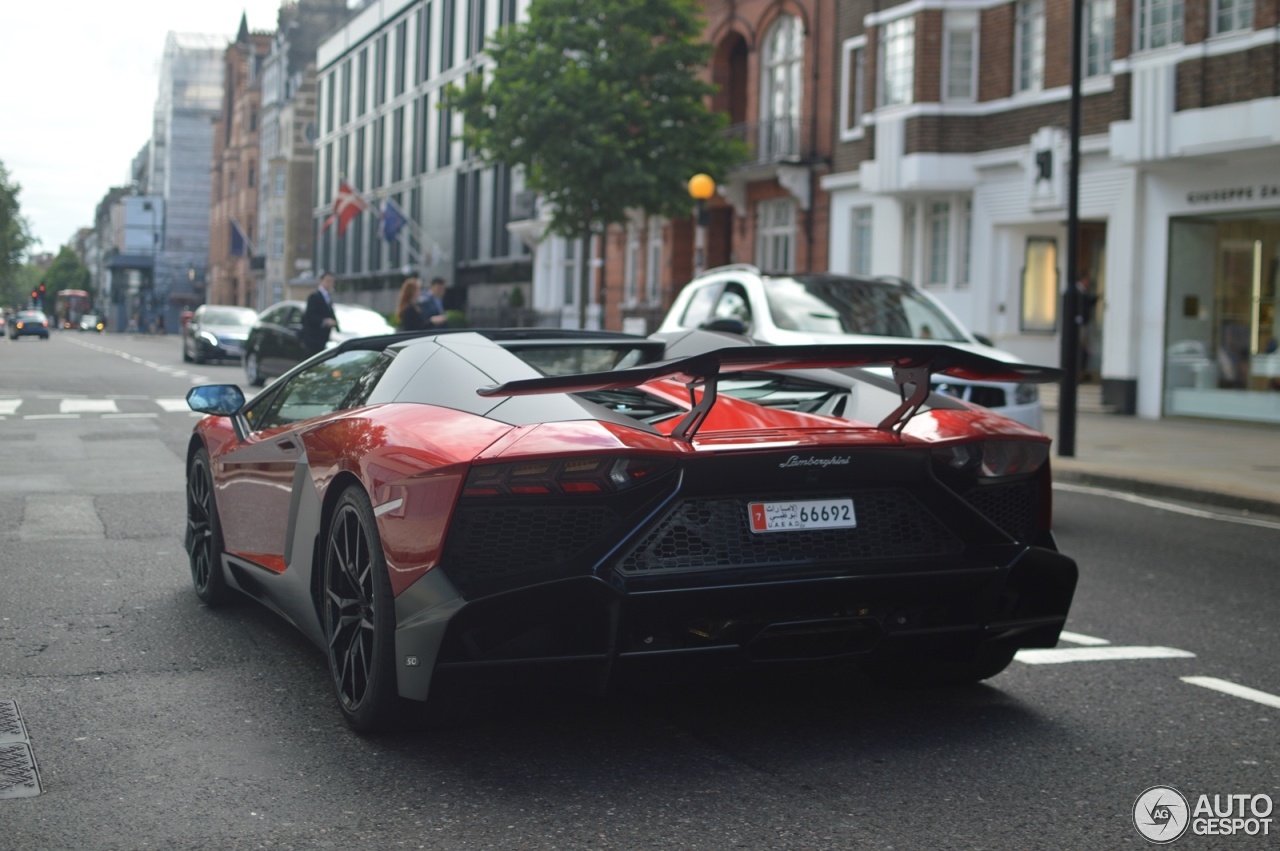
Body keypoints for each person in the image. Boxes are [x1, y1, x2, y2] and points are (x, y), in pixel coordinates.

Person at [302, 272, 339, 356]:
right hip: (314, 339)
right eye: (328, 281)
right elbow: (309, 316)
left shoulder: (328, 297)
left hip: (324, 339)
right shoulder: (314, 296)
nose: (330, 284)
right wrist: (325, 321)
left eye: (332, 281)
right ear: (321, 281)